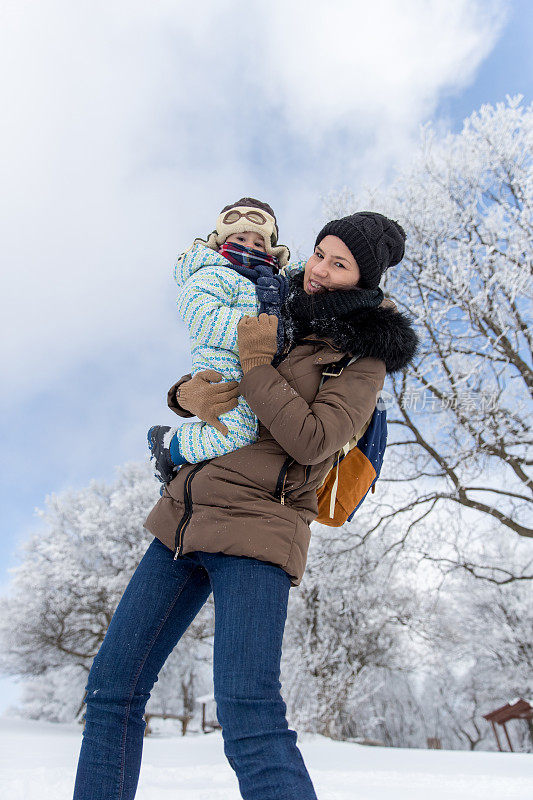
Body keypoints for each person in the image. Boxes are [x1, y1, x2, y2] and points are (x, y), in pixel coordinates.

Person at [72, 212, 419, 800]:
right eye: (319, 254)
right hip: (183, 518)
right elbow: (223, 375)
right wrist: (184, 394)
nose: (322, 271)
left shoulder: (363, 358)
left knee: (248, 714)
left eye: (341, 264)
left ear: (364, 279)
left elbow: (312, 439)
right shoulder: (271, 306)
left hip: (259, 532)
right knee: (111, 688)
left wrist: (258, 363)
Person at [147, 197, 290, 485]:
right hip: (220, 366)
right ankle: (169, 446)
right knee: (236, 433)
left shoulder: (269, 286)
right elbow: (199, 311)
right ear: (222, 241)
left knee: (248, 431)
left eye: (259, 243)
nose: (249, 246)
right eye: (240, 237)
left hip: (252, 370)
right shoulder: (215, 272)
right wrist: (252, 338)